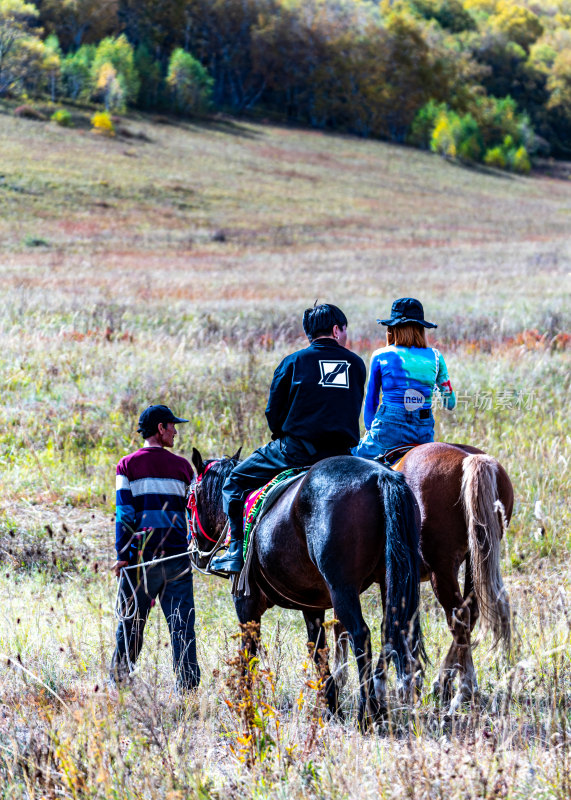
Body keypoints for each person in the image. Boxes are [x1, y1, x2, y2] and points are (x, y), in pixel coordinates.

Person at [210, 303, 367, 575]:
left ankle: (235, 550)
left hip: (296, 451)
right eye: (344, 330)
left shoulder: (293, 362)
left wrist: (281, 436)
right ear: (335, 330)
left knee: (234, 481)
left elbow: (273, 411)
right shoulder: (355, 363)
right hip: (342, 455)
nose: (345, 335)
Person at [109, 404, 200, 691]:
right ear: (160, 428)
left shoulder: (127, 466)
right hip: (178, 560)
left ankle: (120, 682)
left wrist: (123, 556)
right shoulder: (184, 467)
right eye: (172, 426)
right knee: (182, 625)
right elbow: (193, 515)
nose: (175, 431)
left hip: (139, 560)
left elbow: (125, 515)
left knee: (131, 624)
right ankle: (187, 687)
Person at [353, 297, 456, 461]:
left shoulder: (380, 355)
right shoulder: (436, 356)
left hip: (387, 430)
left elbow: (371, 401)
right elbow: (450, 403)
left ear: (392, 329)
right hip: (422, 433)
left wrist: (370, 431)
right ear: (421, 329)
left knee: (353, 458)